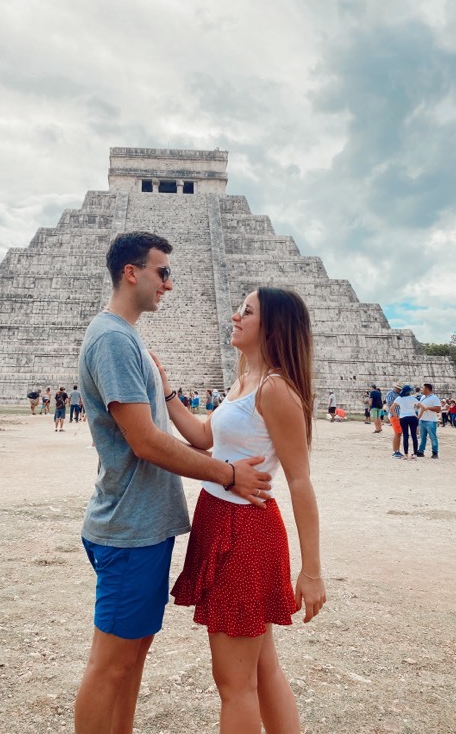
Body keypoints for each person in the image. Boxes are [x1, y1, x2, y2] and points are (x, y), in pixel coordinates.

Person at [74, 231, 271, 734]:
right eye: (163, 272)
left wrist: (172, 393)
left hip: (144, 526)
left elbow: (163, 431)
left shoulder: (126, 336)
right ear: (131, 272)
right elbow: (144, 441)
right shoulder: (114, 339)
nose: (170, 284)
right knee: (110, 665)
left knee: (131, 659)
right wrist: (229, 474)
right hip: (128, 528)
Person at [161, 286, 325, 732]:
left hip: (246, 531)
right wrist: (167, 391)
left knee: (235, 684)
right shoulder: (244, 380)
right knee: (261, 671)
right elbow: (201, 437)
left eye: (246, 311)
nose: (235, 316)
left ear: (271, 327)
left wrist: (311, 571)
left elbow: (300, 482)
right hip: (221, 518)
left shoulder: (275, 389)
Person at [392, 385, 422, 459]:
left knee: (405, 436)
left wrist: (396, 417)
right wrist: (419, 416)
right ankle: (415, 454)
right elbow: (423, 407)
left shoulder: (399, 398)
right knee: (414, 435)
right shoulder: (412, 398)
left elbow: (392, 408)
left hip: (403, 418)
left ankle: (406, 454)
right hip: (412, 417)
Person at [416, 383, 441, 458]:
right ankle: (421, 451)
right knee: (422, 437)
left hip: (430, 420)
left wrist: (429, 408)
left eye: (423, 388)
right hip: (422, 419)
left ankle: (435, 452)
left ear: (427, 389)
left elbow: (438, 409)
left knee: (433, 437)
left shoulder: (434, 398)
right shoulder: (422, 397)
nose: (421, 390)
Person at [385, 382, 403, 458]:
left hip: (399, 415)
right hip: (394, 415)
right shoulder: (390, 394)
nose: (399, 390)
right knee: (397, 433)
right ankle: (395, 451)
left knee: (399, 434)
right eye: (398, 389)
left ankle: (397, 450)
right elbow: (390, 404)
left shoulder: (399, 394)